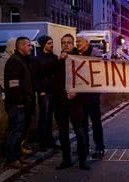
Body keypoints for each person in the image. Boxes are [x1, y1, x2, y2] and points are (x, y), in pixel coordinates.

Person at [53, 34, 90, 170]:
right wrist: (58, 61)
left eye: (69, 42)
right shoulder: (58, 60)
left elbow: (86, 80)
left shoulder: (79, 59)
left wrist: (77, 91)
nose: (66, 45)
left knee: (79, 131)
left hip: (75, 103)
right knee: (63, 133)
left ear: (73, 44)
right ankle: (66, 160)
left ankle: (82, 160)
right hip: (60, 102)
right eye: (63, 43)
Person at [4, 36, 34, 169]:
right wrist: (19, 101)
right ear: (20, 46)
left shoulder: (22, 60)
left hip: (22, 103)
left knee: (19, 131)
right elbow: (13, 84)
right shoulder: (15, 61)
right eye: (29, 45)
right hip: (16, 104)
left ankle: (16, 157)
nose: (31, 47)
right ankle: (11, 159)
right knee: (15, 131)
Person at [76, 35, 105, 160]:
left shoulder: (96, 54)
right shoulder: (74, 54)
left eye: (79, 42)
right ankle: (84, 147)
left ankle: (99, 148)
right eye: (76, 42)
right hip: (80, 96)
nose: (77, 44)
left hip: (92, 95)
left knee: (96, 123)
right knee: (82, 123)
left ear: (87, 43)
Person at [34, 35, 58, 151]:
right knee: (43, 117)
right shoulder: (37, 59)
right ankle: (42, 142)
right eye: (49, 43)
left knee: (50, 117)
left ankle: (50, 140)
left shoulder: (54, 58)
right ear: (43, 44)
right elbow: (35, 77)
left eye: (52, 43)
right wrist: (40, 91)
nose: (51, 45)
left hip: (53, 92)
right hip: (44, 92)